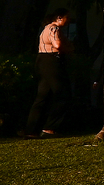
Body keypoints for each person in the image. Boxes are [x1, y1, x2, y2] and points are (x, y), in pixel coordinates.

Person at [25, 9, 72, 137]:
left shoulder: (45, 29)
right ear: (59, 17)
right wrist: (68, 49)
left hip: (41, 61)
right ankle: (50, 128)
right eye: (67, 17)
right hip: (51, 61)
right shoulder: (54, 28)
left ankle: (31, 130)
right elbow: (57, 45)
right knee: (63, 93)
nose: (69, 20)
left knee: (42, 96)